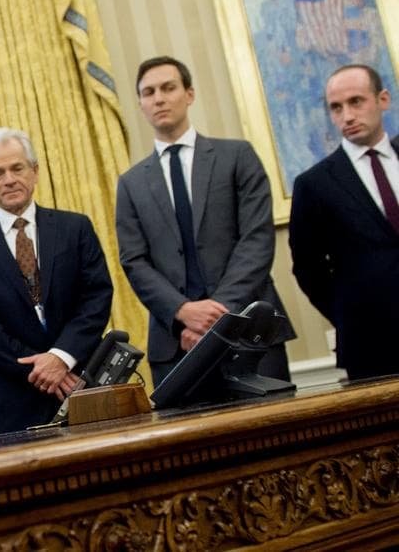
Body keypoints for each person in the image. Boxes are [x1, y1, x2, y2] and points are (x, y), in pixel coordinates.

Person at [115, 56, 294, 386]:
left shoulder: (237, 156)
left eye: (168, 88)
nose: (159, 98)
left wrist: (216, 315)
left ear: (189, 94)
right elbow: (134, 262)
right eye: (149, 92)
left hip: (251, 330)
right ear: (140, 104)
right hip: (176, 344)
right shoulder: (130, 184)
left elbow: (256, 239)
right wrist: (183, 311)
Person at [0, 128, 112, 433]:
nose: (9, 179)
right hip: (16, 401)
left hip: (83, 385)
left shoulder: (75, 228)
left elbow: (97, 298)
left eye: (17, 168)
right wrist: (45, 368)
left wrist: (61, 357)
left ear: (35, 172)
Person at [290, 64, 399, 380]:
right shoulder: (314, 184)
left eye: (356, 102)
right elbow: (308, 269)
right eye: (336, 108)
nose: (347, 116)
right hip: (372, 344)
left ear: (383, 99)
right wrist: (351, 314)